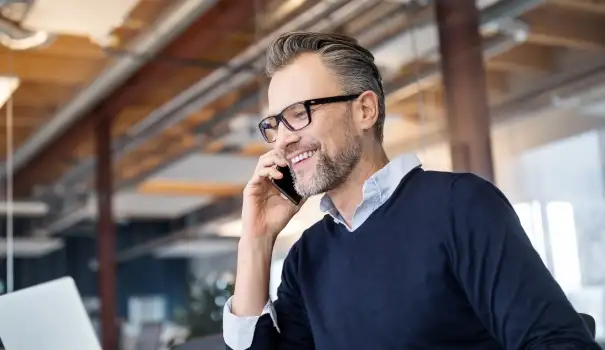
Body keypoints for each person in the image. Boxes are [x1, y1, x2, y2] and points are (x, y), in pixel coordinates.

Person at [222, 31, 599, 350]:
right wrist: (255, 240)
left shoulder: (460, 206)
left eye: (299, 113)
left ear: (365, 111)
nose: (284, 140)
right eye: (275, 124)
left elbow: (558, 341)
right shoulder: (306, 258)